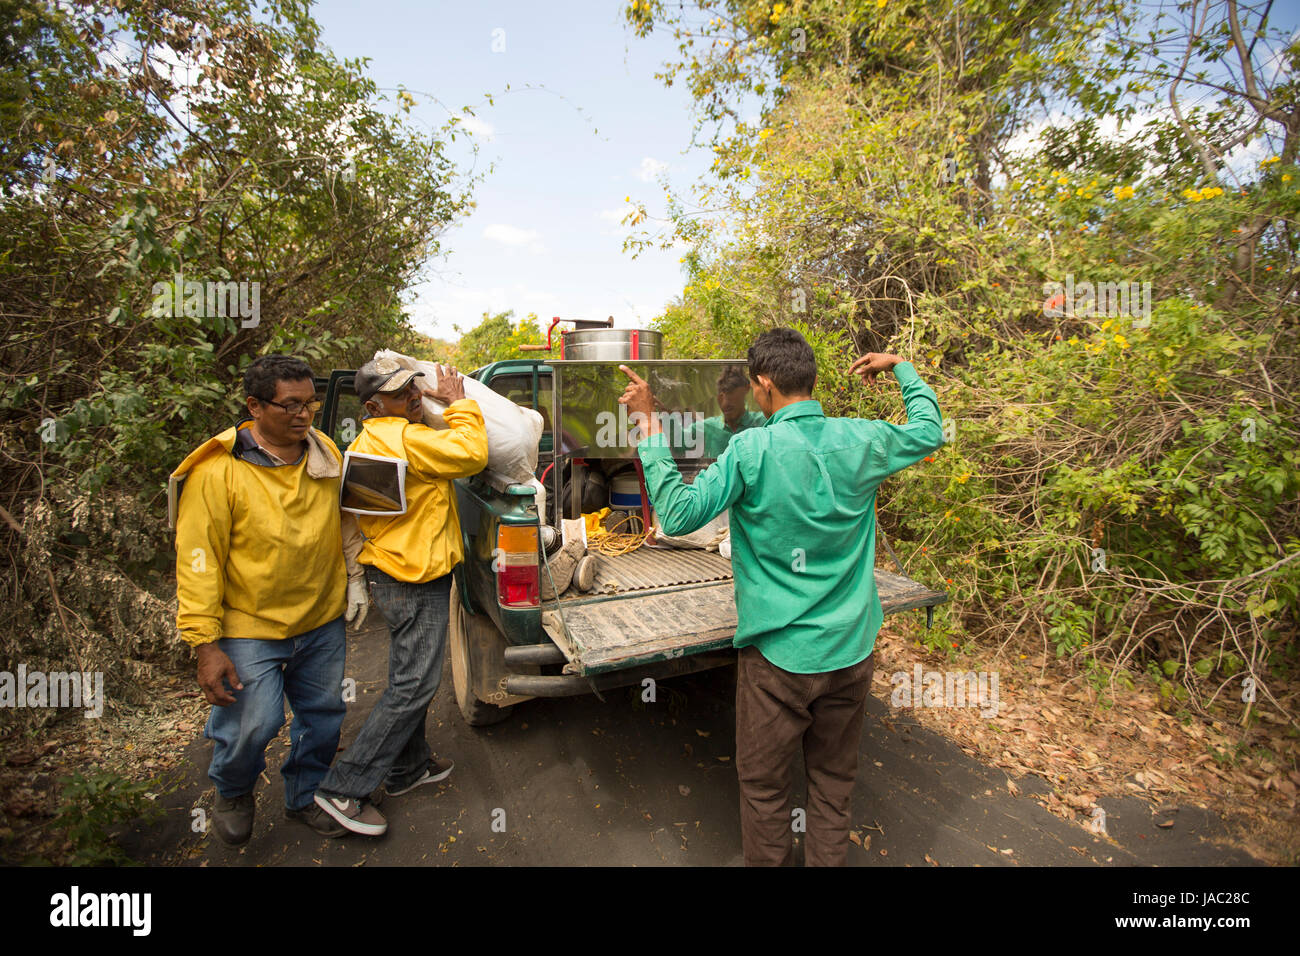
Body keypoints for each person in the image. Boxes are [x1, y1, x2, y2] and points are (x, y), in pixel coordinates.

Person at [618, 328, 943, 866]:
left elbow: (675, 515)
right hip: (852, 650)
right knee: (833, 787)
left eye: (752, 387)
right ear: (809, 380)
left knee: (767, 792)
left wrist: (650, 427)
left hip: (779, 662)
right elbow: (929, 431)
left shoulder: (752, 449)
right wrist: (902, 367)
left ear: (764, 385)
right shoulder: (862, 439)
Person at [172, 355, 369, 845]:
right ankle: (233, 789)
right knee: (254, 723)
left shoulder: (323, 453)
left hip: (319, 618)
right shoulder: (219, 472)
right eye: (290, 405)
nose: (304, 415)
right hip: (248, 626)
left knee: (323, 717)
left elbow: (346, 519)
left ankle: (305, 796)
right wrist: (205, 644)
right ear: (255, 406)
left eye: (309, 404)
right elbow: (199, 559)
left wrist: (355, 577)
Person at [312, 357, 489, 837]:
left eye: (413, 387)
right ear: (373, 405)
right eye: (399, 393)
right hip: (414, 578)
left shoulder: (368, 440)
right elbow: (471, 454)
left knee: (406, 674)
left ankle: (407, 769)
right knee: (413, 685)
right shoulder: (405, 438)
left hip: (391, 572)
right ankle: (342, 788)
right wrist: (459, 405)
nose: (413, 395)